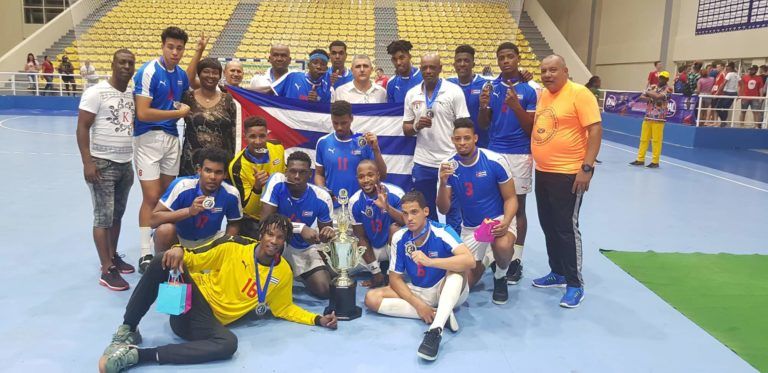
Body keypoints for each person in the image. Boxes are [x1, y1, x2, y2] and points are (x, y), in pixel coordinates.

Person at [97, 214, 338, 372]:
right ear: (261, 232)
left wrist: (317, 319)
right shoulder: (233, 246)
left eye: (280, 237)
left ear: (285, 241)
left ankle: (139, 356)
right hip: (191, 302)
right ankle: (128, 329)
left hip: (206, 325)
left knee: (228, 344)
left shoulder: (283, 271)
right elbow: (196, 258)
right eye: (270, 234)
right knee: (163, 259)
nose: (273, 241)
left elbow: (285, 308)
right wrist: (179, 250)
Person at [364, 191, 474, 361]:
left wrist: (431, 262)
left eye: (414, 212)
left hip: (445, 288)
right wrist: (419, 305)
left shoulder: (442, 231)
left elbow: (469, 261)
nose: (409, 218)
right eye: (405, 213)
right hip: (418, 290)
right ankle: (441, 314)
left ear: (426, 212)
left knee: (457, 271)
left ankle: (435, 330)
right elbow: (394, 278)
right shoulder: (400, 237)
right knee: (371, 298)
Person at [530, 55, 602, 308]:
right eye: (544, 70)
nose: (548, 74)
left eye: (553, 70)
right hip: (544, 171)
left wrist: (587, 167)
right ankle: (557, 272)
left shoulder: (579, 94)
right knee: (548, 224)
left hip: (569, 173)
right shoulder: (545, 96)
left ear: (565, 71)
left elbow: (595, 129)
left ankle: (574, 283)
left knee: (566, 228)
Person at [436, 119, 518, 304]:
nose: (462, 143)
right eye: (458, 139)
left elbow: (511, 198)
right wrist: (442, 182)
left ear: (475, 138)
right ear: (452, 140)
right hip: (471, 228)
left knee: (502, 246)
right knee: (461, 289)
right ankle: (487, 259)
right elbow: (443, 208)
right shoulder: (448, 166)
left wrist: (506, 221)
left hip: (497, 220)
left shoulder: (495, 161)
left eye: (467, 138)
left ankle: (500, 276)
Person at [76, 49, 137, 291]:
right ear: (113, 64)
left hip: (125, 163)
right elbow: (82, 127)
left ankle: (113, 256)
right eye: (122, 62)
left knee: (117, 215)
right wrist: (87, 162)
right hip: (102, 163)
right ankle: (106, 268)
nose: (126, 67)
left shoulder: (132, 94)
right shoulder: (95, 92)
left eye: (130, 63)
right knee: (103, 216)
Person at [477, 42, 538, 283]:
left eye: (509, 56)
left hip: (520, 153)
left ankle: (515, 260)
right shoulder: (490, 87)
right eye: (501, 57)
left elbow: (529, 127)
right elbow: (483, 124)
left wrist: (515, 106)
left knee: (518, 207)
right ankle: (494, 254)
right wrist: (483, 106)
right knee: (494, 204)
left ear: (518, 58)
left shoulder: (529, 89)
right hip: (495, 152)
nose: (505, 61)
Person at [133, 26, 192, 273]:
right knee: (150, 196)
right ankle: (145, 252)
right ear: (162, 45)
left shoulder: (179, 74)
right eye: (171, 47)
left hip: (171, 138)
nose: (175, 52)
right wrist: (178, 113)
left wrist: (199, 51)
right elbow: (143, 112)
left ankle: (162, 243)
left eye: (180, 48)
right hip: (147, 138)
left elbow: (190, 79)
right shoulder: (148, 71)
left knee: (166, 197)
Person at [402, 53, 469, 233]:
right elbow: (406, 128)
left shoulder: (453, 91)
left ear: (440, 68)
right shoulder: (412, 94)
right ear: (420, 69)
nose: (429, 71)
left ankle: (453, 249)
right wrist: (417, 126)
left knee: (453, 210)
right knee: (425, 209)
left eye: (433, 67)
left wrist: (461, 155)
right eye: (425, 67)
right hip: (423, 161)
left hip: (449, 160)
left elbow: (464, 126)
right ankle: (429, 246)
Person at [260, 151, 336, 299]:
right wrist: (300, 228)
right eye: (292, 171)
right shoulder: (277, 182)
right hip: (277, 244)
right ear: (286, 171)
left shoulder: (321, 197)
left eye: (302, 172)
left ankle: (299, 271)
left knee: (324, 290)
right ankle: (285, 268)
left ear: (310, 174)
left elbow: (325, 238)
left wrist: (327, 234)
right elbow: (265, 222)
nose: (296, 176)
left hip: (302, 248)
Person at [151, 147, 242, 253]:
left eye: (218, 172)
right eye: (208, 170)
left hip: (211, 241)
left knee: (235, 245)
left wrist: (226, 246)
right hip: (179, 241)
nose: (212, 177)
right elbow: (153, 220)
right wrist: (189, 211)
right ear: (199, 170)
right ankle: (163, 267)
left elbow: (234, 223)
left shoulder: (231, 193)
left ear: (225, 174)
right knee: (164, 231)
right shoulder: (182, 186)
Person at [315, 100, 387, 206]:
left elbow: (383, 175)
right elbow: (319, 174)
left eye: (343, 123)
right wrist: (323, 191)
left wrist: (376, 149)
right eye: (335, 123)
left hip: (361, 206)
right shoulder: (323, 142)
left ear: (351, 118)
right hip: (333, 206)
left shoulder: (363, 142)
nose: (339, 127)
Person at [349, 160, 405, 288]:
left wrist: (387, 207)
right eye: (361, 177)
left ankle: (393, 274)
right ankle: (379, 271)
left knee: (396, 229)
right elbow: (360, 237)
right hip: (372, 247)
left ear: (378, 175)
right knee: (339, 270)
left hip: (391, 246)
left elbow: (406, 221)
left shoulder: (396, 193)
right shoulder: (354, 201)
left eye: (370, 175)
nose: (366, 180)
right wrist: (375, 272)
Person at [178, 58, 238, 176]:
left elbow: (234, 133)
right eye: (206, 71)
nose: (211, 76)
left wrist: (232, 163)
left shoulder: (228, 99)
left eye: (215, 73)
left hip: (220, 165)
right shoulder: (187, 97)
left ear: (220, 76)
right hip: (192, 162)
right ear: (199, 74)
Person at [228, 116, 286, 238]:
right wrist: (257, 188)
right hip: (254, 222)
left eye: (262, 136)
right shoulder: (236, 167)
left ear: (267, 134)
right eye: (253, 137)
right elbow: (249, 210)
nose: (258, 141)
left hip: (281, 214)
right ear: (245, 137)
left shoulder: (278, 148)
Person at [447, 45, 491, 148]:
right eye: (459, 61)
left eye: (466, 61)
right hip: (456, 145)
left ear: (473, 64)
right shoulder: (448, 85)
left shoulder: (484, 85)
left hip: (481, 143)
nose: (462, 64)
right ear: (454, 64)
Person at [630, 71, 673, 168]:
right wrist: (650, 95)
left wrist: (648, 93)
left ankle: (655, 161)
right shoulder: (654, 87)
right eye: (660, 77)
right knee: (643, 139)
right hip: (648, 116)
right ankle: (640, 159)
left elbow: (658, 97)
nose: (661, 79)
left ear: (667, 80)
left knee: (656, 140)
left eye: (664, 78)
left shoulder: (669, 89)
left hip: (659, 118)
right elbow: (641, 97)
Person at [715, 62, 739, 127]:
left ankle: (723, 121)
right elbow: (741, 84)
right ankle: (724, 122)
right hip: (734, 93)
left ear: (729, 68)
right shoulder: (737, 75)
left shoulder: (729, 74)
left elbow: (724, 83)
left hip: (728, 92)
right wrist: (738, 94)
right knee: (725, 108)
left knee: (718, 107)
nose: (726, 70)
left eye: (727, 69)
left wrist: (718, 92)